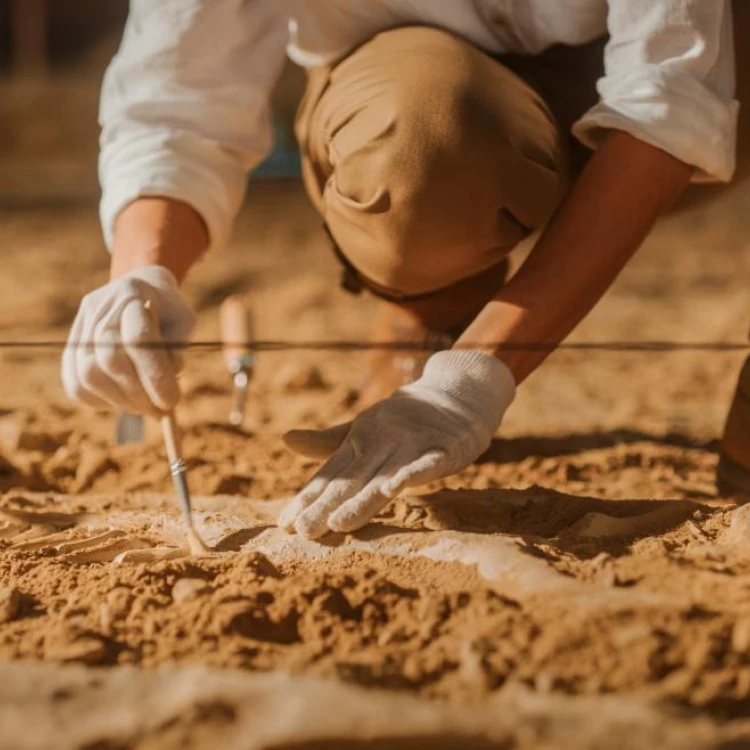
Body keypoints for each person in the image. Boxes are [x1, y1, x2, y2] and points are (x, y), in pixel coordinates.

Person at [62, 1, 739, 540]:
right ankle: (436, 294)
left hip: (720, 77)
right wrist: (142, 271)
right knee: (421, 148)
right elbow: (179, 99)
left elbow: (672, 98)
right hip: (425, 88)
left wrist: (474, 377)